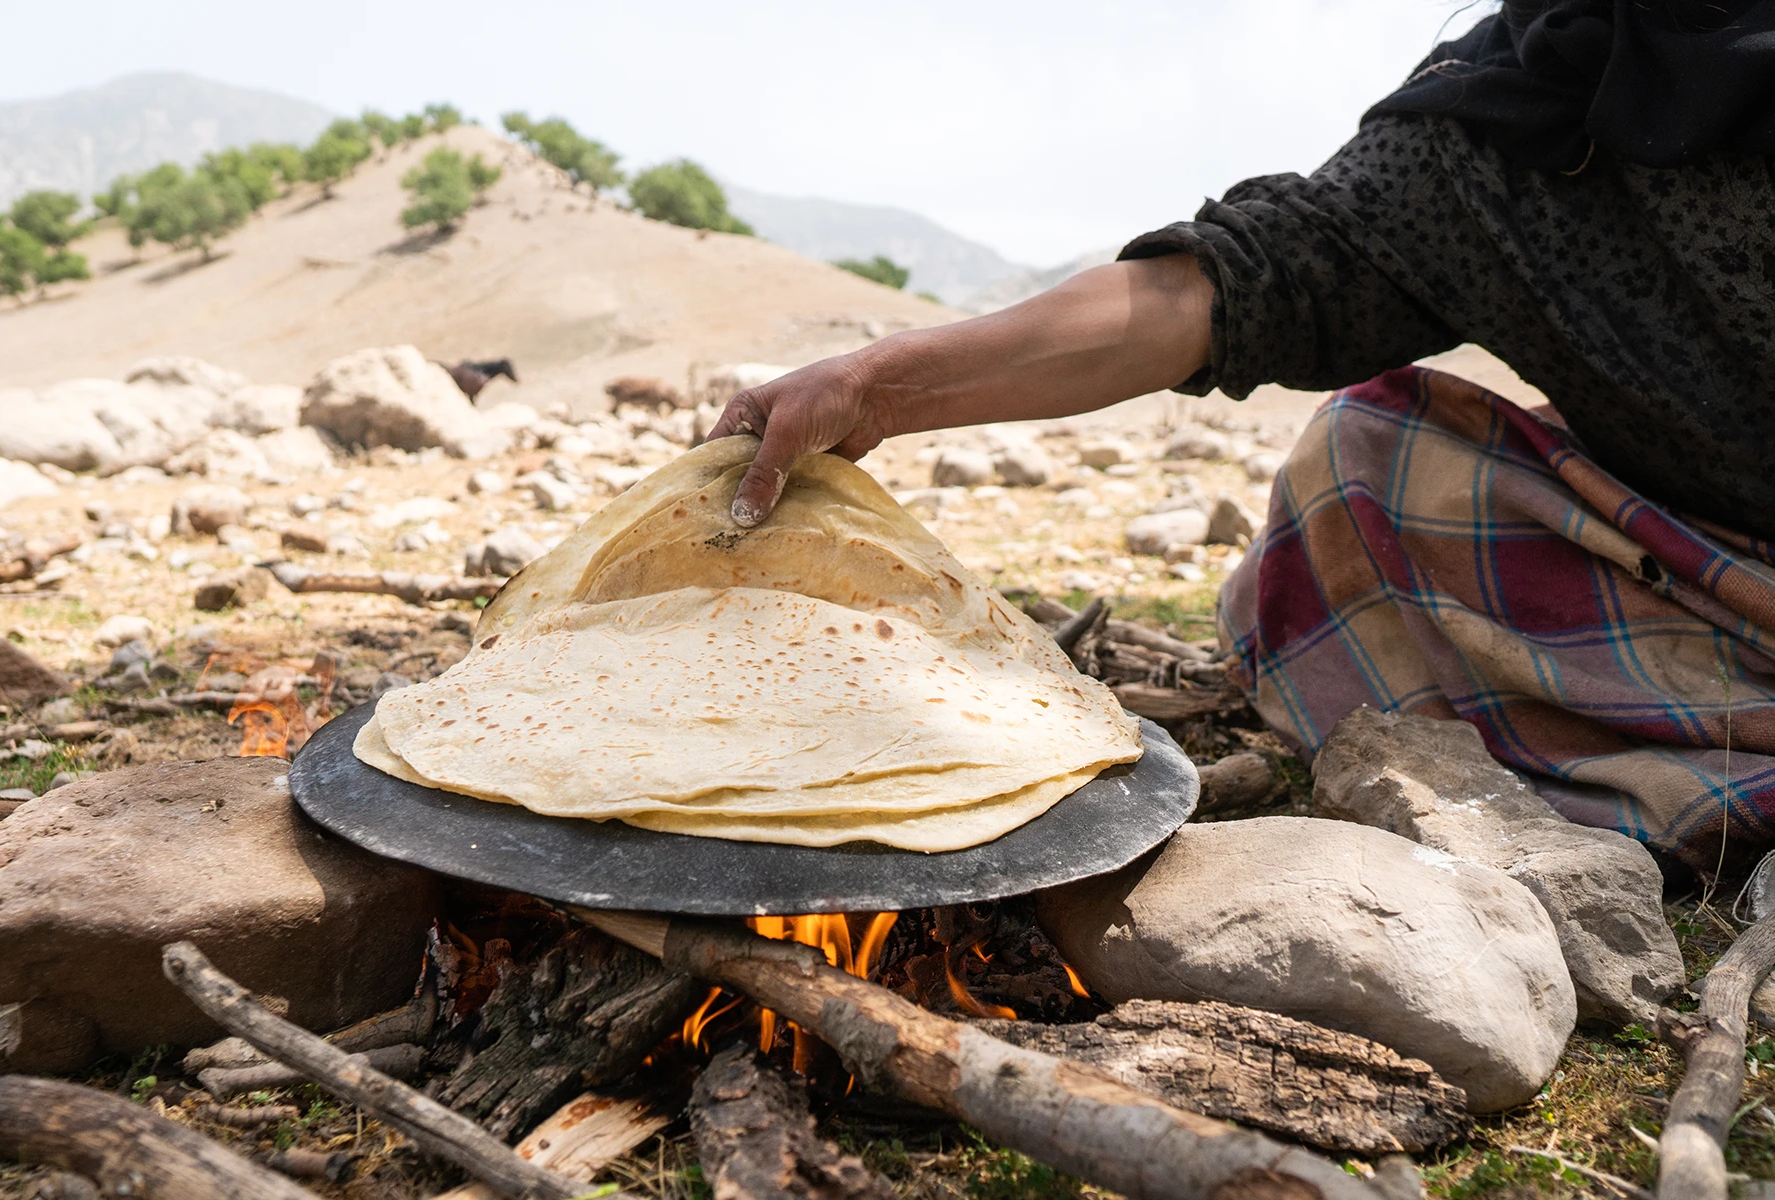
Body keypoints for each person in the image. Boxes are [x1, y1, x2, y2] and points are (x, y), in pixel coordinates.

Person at [708, 0, 1775, 872]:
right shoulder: (1505, 125)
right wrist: (873, 387)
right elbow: (1211, 290)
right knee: (1367, 458)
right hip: (1704, 568)